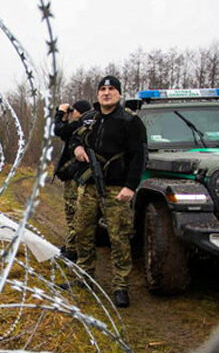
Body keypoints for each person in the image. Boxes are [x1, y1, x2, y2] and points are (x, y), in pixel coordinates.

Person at [71, 75, 147, 308]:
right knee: (82, 230)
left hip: (116, 188)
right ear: (97, 94)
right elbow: (74, 137)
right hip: (89, 186)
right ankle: (84, 277)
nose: (106, 92)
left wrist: (130, 186)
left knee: (119, 237)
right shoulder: (89, 119)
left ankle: (120, 285)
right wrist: (77, 148)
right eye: (102, 89)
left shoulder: (130, 121)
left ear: (119, 94)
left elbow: (139, 156)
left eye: (111, 89)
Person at [53, 99, 92, 260]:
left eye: (73, 110)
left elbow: (59, 130)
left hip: (76, 177)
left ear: (79, 112)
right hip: (78, 175)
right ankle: (72, 246)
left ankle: (73, 250)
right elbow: (63, 132)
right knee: (75, 212)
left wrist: (61, 113)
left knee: (73, 212)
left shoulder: (80, 125)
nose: (72, 113)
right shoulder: (83, 125)